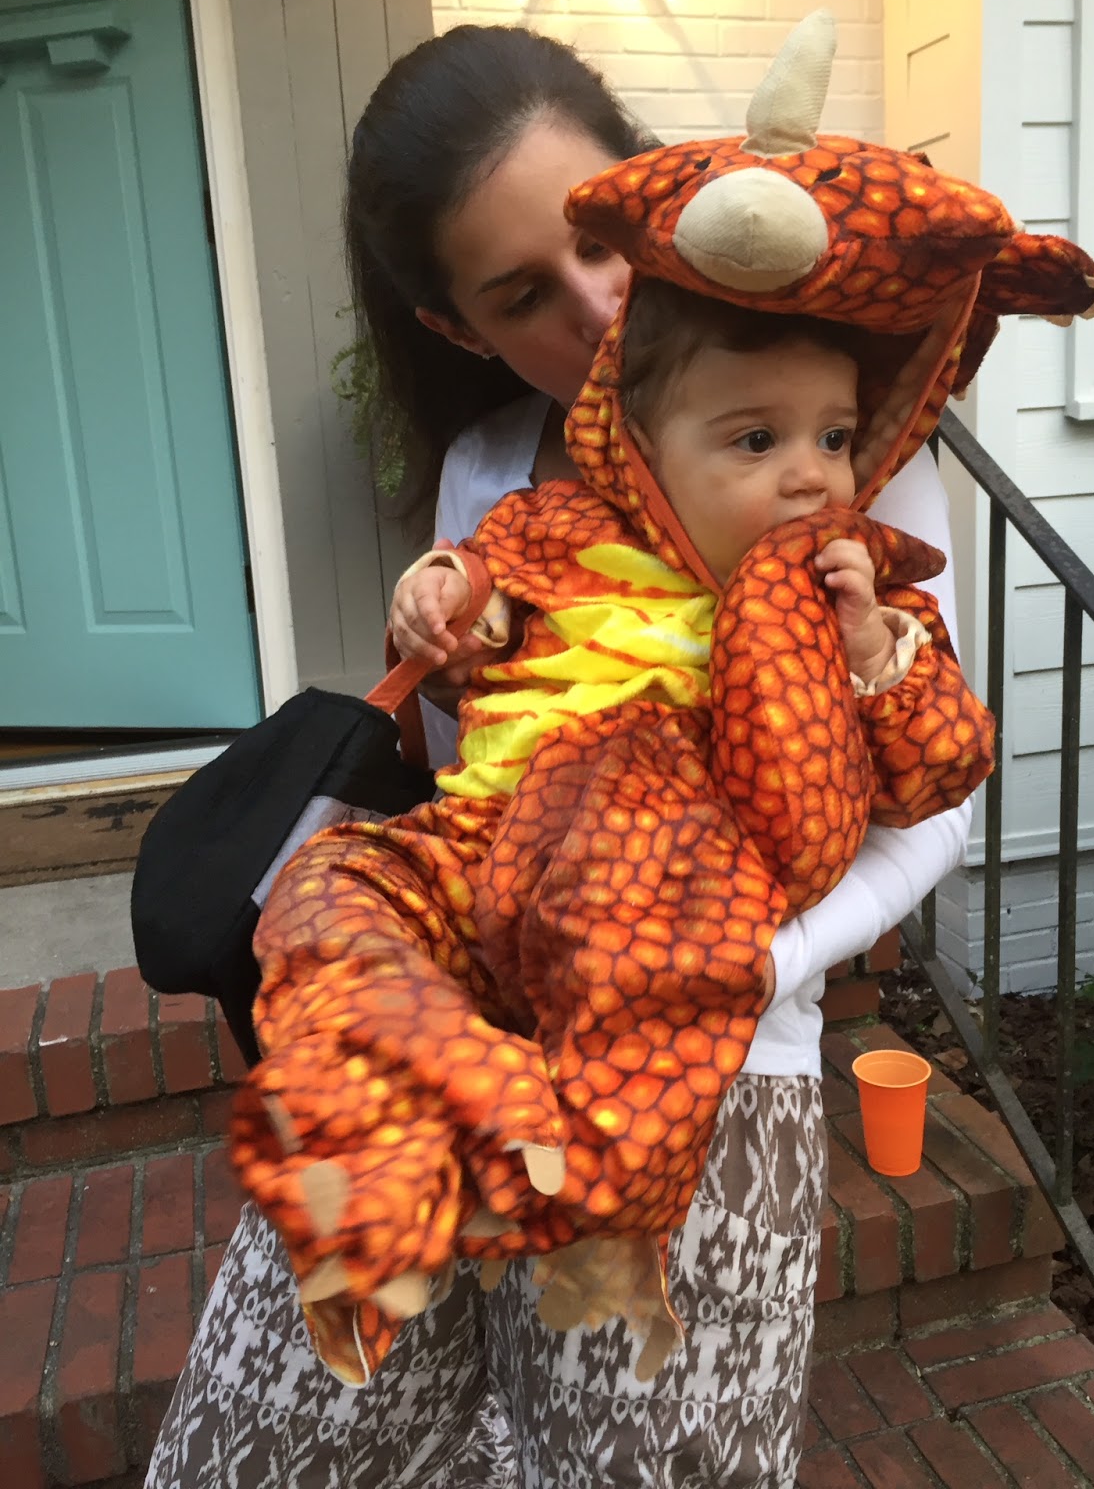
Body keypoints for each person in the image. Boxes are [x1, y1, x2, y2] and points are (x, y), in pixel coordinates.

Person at [146, 22, 978, 1489]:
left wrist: (728, 964)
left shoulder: (831, 448)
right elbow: (473, 761)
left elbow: (933, 807)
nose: (597, 307)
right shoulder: (491, 473)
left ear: (653, 199)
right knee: (283, 1438)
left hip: (709, 1065)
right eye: (524, 292)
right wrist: (455, 626)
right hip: (458, 1040)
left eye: (601, 242)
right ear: (458, 325)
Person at [231, 272, 994, 1388]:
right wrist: (444, 594)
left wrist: (875, 654)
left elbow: (943, 769)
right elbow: (485, 595)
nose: (810, 474)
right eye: (757, 439)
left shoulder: (859, 595)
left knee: (648, 1006)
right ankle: (432, 1106)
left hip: (646, 883)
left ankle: (558, 1171)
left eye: (834, 437)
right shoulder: (563, 528)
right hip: (475, 842)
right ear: (638, 453)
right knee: (323, 891)